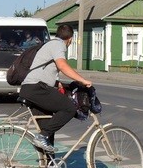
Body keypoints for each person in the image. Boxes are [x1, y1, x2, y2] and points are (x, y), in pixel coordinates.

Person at [19, 24, 92, 152]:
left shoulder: (49, 44)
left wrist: (57, 82)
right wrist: (82, 80)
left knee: (48, 130)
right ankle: (42, 136)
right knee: (70, 108)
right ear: (70, 39)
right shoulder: (59, 45)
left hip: (29, 88)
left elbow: (47, 70)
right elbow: (63, 66)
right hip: (36, 88)